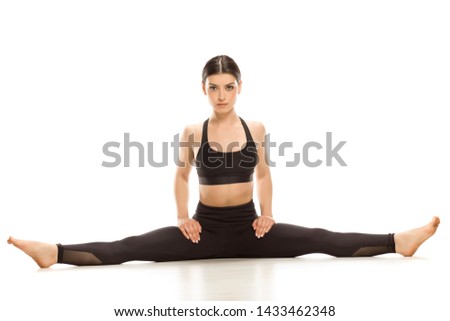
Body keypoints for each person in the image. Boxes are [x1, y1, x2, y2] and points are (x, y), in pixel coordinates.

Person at [8, 55, 440, 268]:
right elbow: (180, 177)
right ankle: (56, 252)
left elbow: (267, 174)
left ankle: (398, 241)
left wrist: (269, 215)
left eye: (228, 86)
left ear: (239, 88)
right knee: (132, 247)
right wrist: (181, 218)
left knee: (320, 237)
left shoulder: (257, 127)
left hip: (253, 230)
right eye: (213, 87)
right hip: (203, 232)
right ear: (203, 89)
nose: (220, 94)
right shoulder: (193, 132)